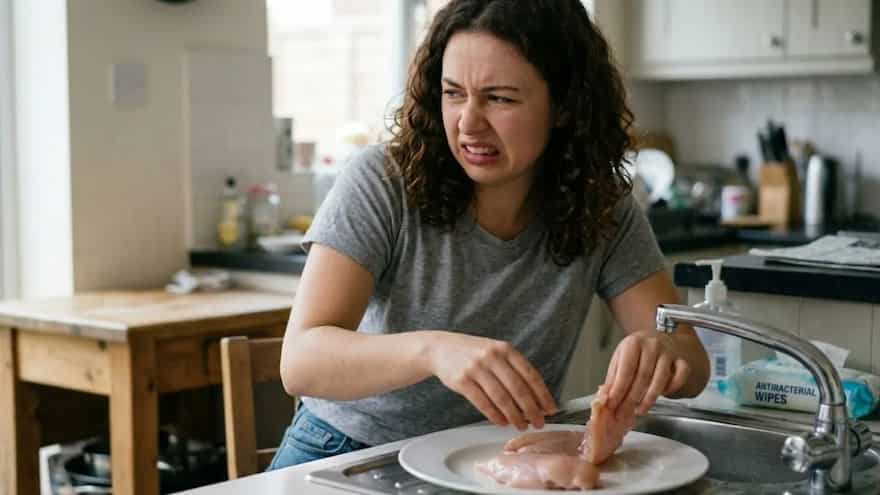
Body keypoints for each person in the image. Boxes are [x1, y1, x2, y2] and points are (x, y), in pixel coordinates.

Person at [269, 0, 710, 469]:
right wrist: (435, 350)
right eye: (453, 93)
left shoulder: (603, 206)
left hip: (497, 459)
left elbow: (694, 366)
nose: (468, 123)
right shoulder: (381, 181)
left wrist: (663, 351)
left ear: (564, 106)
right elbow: (300, 362)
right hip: (348, 451)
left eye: (499, 98)